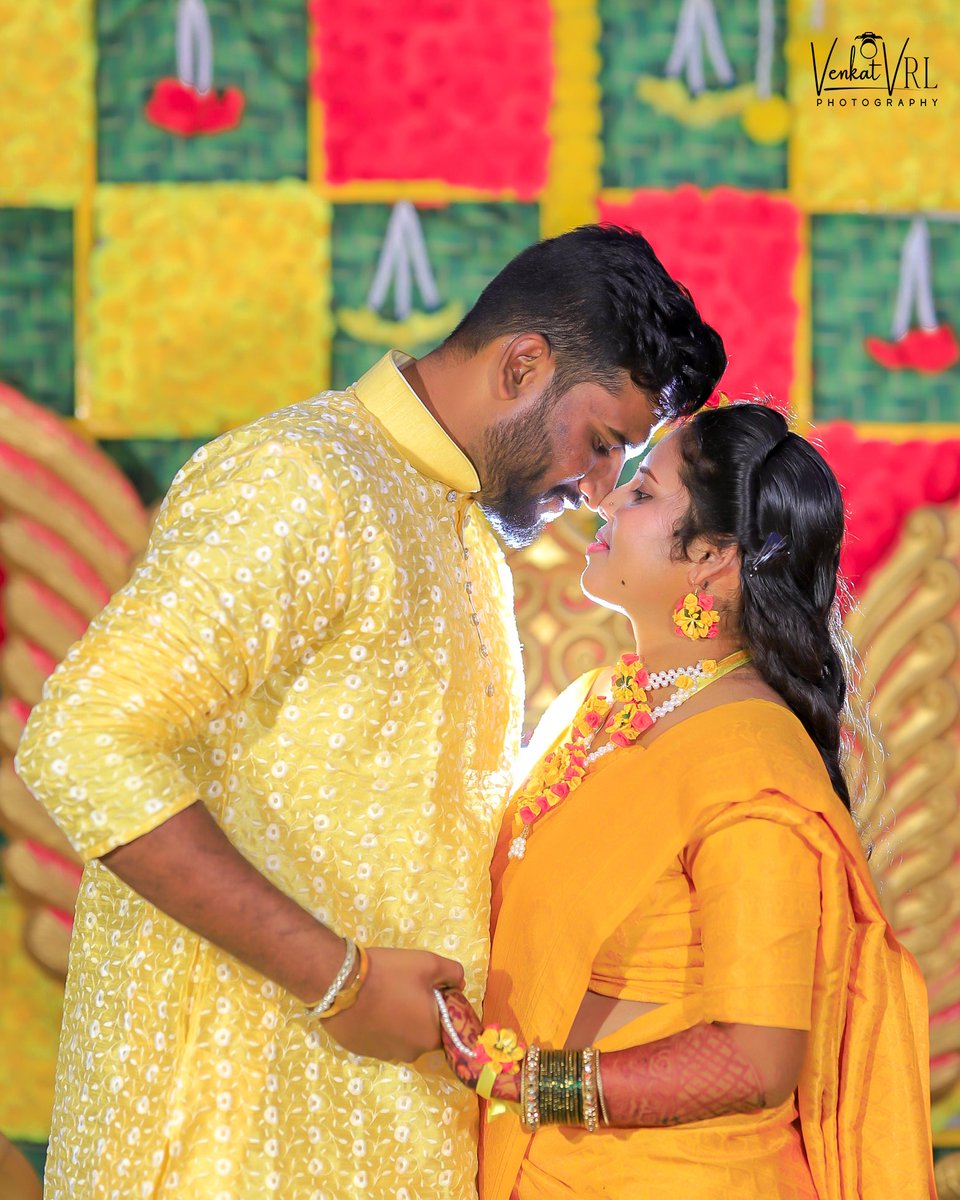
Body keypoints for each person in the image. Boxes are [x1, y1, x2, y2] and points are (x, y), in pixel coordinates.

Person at [15, 225, 725, 1200]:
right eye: (601, 443)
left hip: (378, 1138)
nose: (601, 489)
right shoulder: (306, 479)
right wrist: (335, 978)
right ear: (523, 365)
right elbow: (83, 740)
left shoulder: (454, 528)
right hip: (230, 1144)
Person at [438, 402, 936, 1199]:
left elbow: (756, 1057)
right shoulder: (599, 702)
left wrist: (529, 1082)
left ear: (710, 557)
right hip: (545, 1164)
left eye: (641, 495)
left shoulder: (749, 766)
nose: (605, 501)